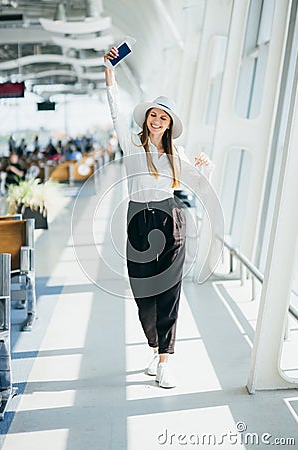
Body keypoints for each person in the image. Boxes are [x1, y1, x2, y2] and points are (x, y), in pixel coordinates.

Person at [104, 46, 214, 389]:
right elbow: (113, 106)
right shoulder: (130, 143)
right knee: (142, 293)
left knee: (168, 290)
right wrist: (109, 68)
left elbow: (198, 187)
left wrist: (205, 168)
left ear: (169, 124)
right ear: (147, 117)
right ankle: (154, 346)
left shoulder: (176, 153)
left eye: (163, 117)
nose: (156, 121)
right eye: (154, 114)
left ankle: (166, 359)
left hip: (170, 219)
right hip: (137, 219)